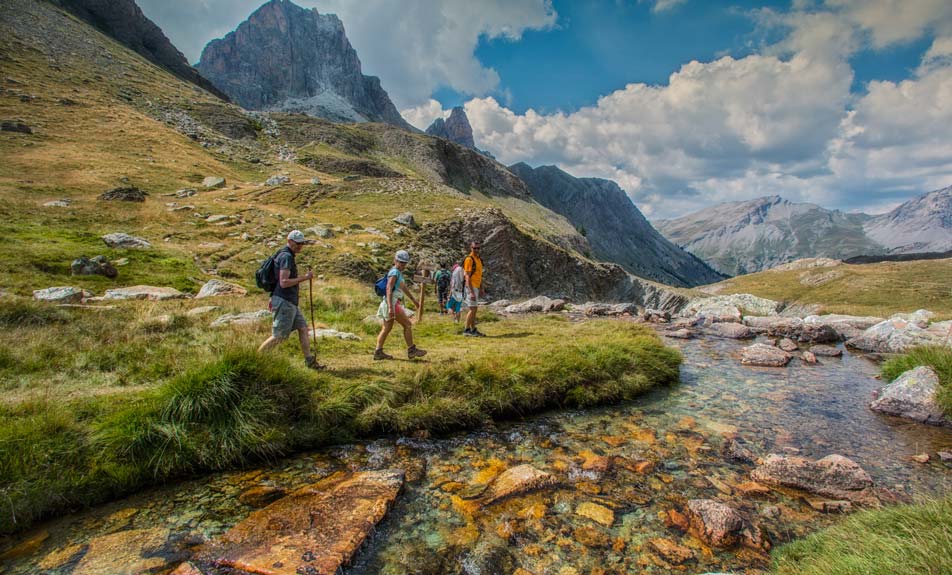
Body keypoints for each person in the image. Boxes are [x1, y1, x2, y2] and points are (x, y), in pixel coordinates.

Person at [258, 230, 324, 369]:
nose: (299, 246)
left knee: (303, 328)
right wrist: (305, 278)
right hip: (285, 301)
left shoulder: (283, 254)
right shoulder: (286, 257)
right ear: (289, 241)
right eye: (297, 243)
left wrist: (273, 297)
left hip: (287, 300)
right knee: (279, 336)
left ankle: (309, 361)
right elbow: (284, 282)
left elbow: (278, 281)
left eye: (301, 244)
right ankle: (256, 359)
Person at [374, 250, 427, 360]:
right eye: (401, 262)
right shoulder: (394, 272)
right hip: (392, 303)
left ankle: (378, 352)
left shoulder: (397, 273)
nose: (403, 265)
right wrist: (390, 307)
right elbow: (389, 289)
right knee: (407, 325)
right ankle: (411, 350)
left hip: (390, 303)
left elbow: (403, 288)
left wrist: (414, 301)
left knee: (386, 328)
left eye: (404, 263)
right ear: (395, 261)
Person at [463, 241, 485, 337]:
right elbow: (467, 277)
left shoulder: (479, 259)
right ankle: (466, 330)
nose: (476, 250)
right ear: (470, 248)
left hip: (476, 286)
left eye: (478, 248)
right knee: (472, 309)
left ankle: (473, 329)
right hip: (471, 287)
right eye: (474, 248)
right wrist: (471, 292)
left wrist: (481, 287)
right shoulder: (469, 259)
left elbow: (480, 275)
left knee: (474, 309)